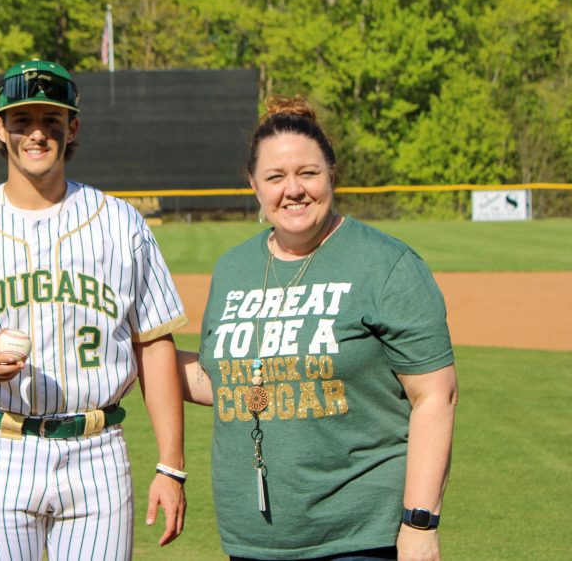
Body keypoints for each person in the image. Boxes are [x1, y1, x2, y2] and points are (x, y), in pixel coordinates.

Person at [0, 59, 188, 560]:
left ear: (72, 128)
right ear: (0, 128)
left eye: (52, 122)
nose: (36, 135)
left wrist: (171, 466)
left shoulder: (122, 225)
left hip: (97, 451)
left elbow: (154, 343)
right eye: (22, 121)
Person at [177, 96, 458, 561]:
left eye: (307, 173)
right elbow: (221, 380)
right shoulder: (234, 268)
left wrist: (420, 523)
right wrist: (132, 352)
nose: (293, 190)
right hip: (253, 542)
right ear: (254, 186)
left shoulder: (385, 263)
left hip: (359, 537)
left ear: (331, 174)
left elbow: (435, 396)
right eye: (275, 177)